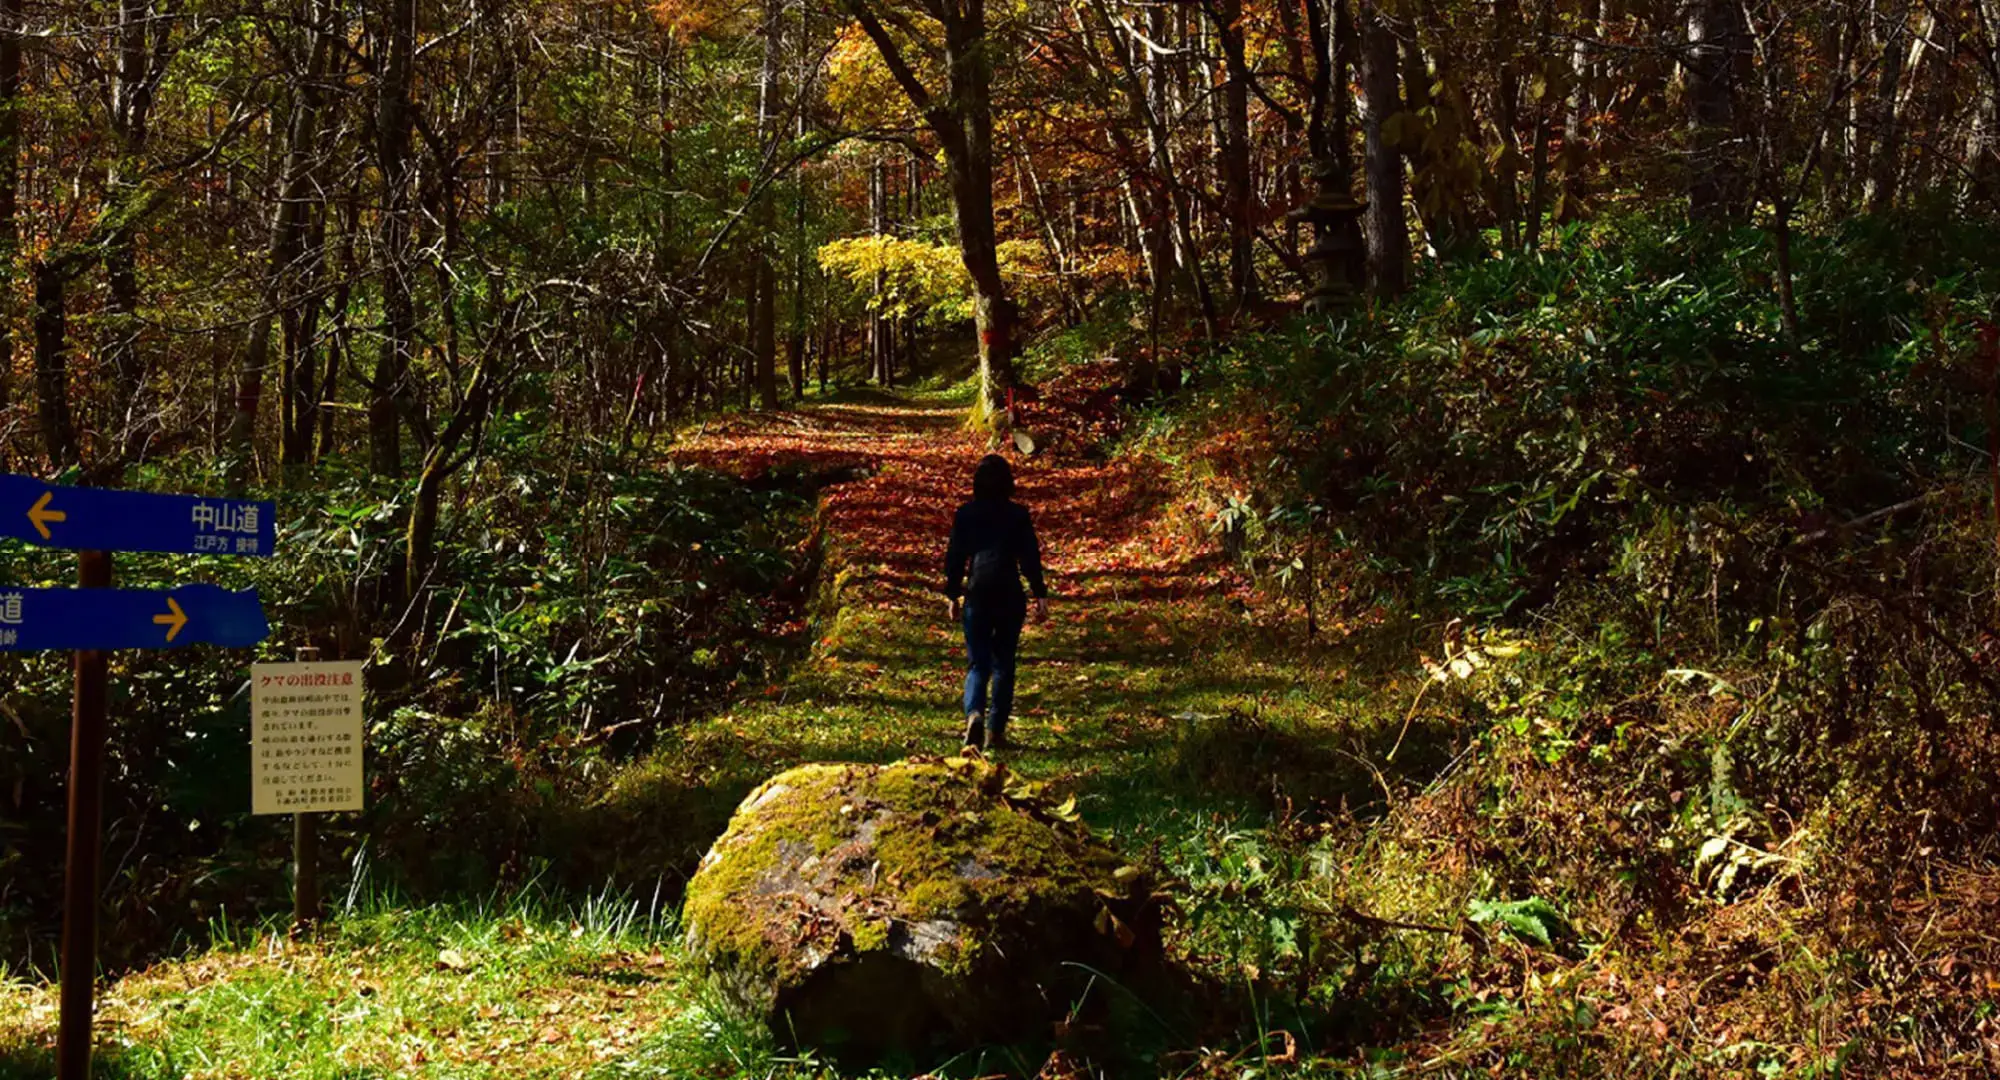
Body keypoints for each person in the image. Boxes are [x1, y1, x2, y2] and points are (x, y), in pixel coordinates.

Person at [944, 454, 1049, 750]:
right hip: (1009, 593)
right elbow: (1029, 556)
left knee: (978, 663)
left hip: (977, 591)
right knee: (1004, 662)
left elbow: (955, 557)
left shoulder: (965, 514)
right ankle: (996, 730)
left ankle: (974, 712)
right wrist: (1039, 592)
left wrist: (952, 593)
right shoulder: (1017, 515)